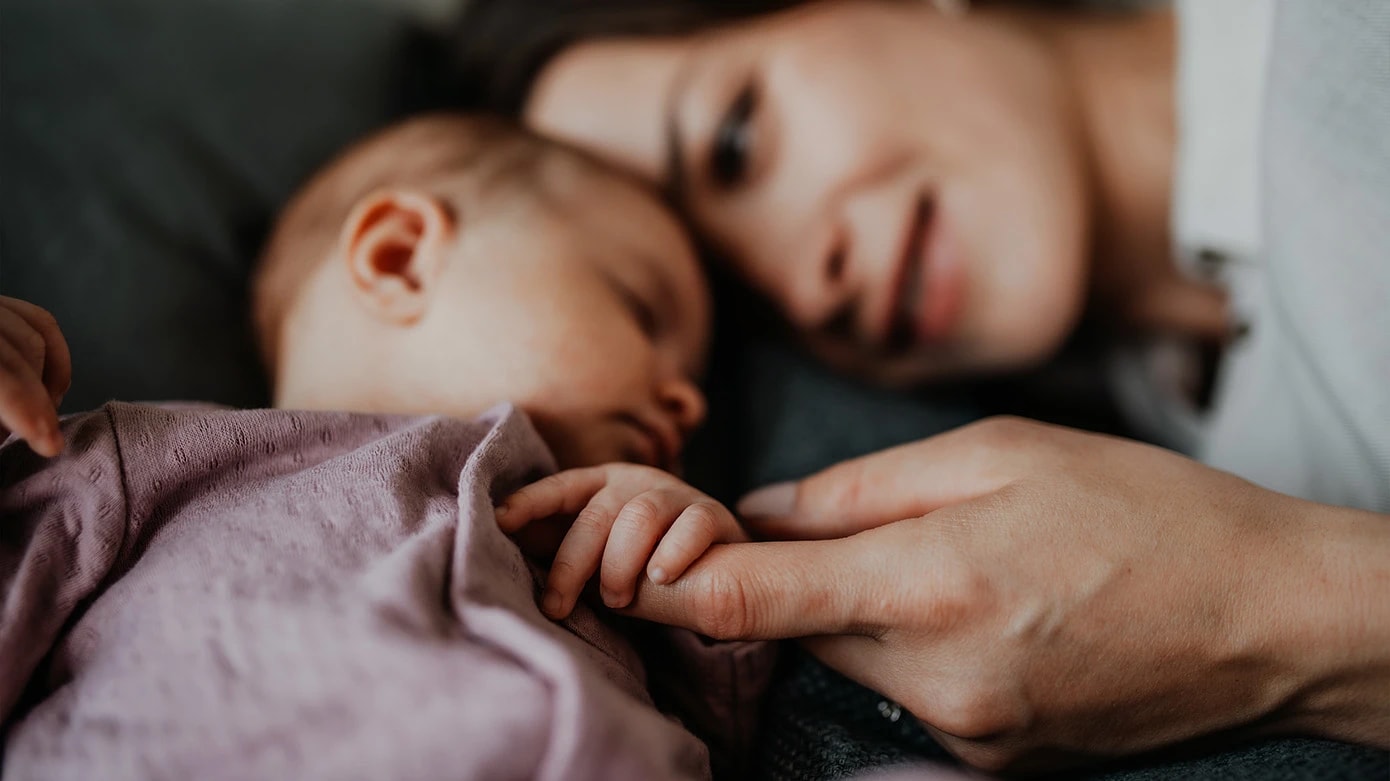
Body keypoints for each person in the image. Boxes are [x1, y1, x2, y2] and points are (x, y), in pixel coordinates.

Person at [449, 0, 1390, 772]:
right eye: (733, 303)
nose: (801, 287)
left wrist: (1268, 615)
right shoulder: (1180, 426)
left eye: (735, 141)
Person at [0, 114, 785, 779]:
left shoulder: (596, 572)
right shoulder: (154, 465)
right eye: (641, 311)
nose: (691, 400)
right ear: (400, 257)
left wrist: (690, 584)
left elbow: (724, 741)